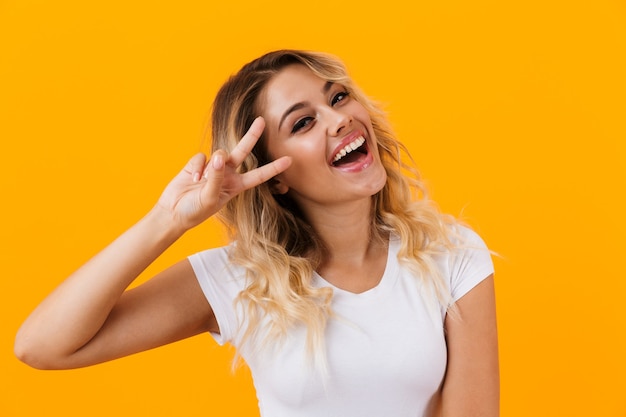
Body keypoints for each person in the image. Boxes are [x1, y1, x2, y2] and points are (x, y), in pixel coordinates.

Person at [15, 50, 499, 416]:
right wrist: (170, 219)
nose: (339, 119)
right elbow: (41, 346)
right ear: (275, 174)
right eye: (304, 122)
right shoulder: (240, 279)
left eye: (338, 96)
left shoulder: (451, 256)